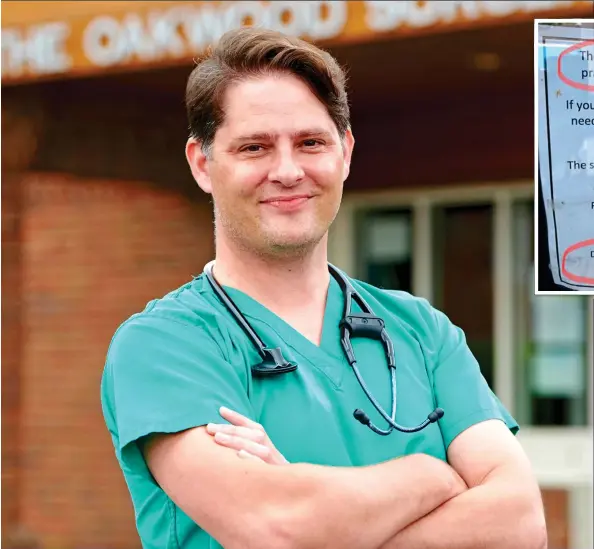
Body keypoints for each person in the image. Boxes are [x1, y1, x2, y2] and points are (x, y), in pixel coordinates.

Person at [100, 27, 547, 549]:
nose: (288, 171)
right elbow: (277, 529)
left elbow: (519, 523)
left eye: (310, 142)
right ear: (203, 164)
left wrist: (317, 508)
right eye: (255, 147)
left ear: (346, 152)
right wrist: (432, 477)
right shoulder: (166, 345)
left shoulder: (422, 331)